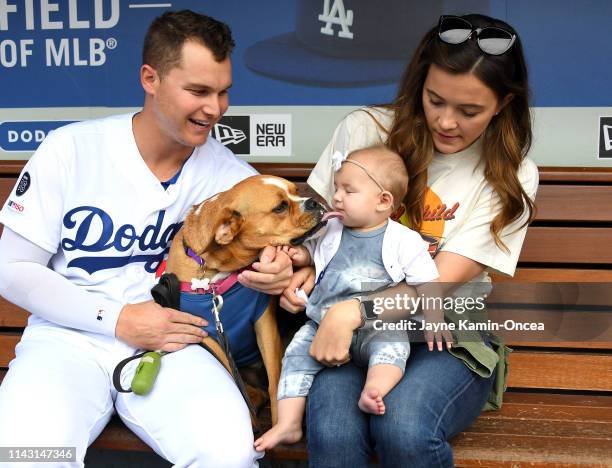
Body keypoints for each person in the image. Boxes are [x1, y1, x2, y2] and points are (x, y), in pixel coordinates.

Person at [0, 10, 292, 468]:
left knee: (228, 456)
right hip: (67, 342)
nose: (214, 108)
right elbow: (12, 270)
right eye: (197, 91)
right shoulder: (71, 149)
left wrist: (282, 267)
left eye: (222, 92)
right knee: (26, 457)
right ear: (150, 78)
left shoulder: (229, 177)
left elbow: (291, 237)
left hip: (174, 344)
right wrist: (115, 318)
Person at [281, 14, 538, 467]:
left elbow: (438, 281)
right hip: (347, 331)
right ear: (419, 81)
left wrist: (350, 311)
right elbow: (317, 230)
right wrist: (293, 269)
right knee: (333, 433)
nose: (446, 121)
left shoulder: (512, 174)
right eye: (434, 100)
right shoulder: (364, 130)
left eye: (469, 111)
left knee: (402, 426)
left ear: (503, 103)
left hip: (442, 336)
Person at [255, 145, 448, 451]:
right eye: (336, 188)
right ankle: (288, 423)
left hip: (380, 325)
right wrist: (299, 254)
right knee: (295, 359)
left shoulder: (403, 240)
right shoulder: (331, 228)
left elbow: (426, 281)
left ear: (383, 201)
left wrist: (435, 317)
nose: (336, 197)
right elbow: (314, 256)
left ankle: (374, 389)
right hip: (323, 327)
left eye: (349, 190)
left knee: (391, 352)